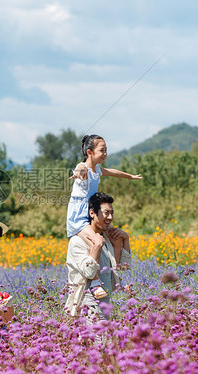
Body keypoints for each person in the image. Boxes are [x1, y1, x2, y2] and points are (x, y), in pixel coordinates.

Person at [67, 134, 141, 299]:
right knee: (98, 241)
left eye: (106, 150)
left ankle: (117, 279)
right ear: (89, 152)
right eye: (102, 150)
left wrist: (130, 176)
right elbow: (80, 170)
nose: (105, 153)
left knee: (116, 237)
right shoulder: (84, 167)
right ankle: (94, 283)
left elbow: (113, 172)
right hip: (78, 218)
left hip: (89, 213)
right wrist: (77, 174)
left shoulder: (98, 170)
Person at [65, 192, 132, 323]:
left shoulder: (106, 239)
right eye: (106, 213)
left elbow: (123, 268)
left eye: (112, 213)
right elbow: (89, 273)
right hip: (87, 303)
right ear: (92, 213)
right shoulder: (77, 241)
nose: (110, 217)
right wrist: (96, 247)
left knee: (104, 342)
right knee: (96, 342)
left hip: (105, 301)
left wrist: (125, 240)